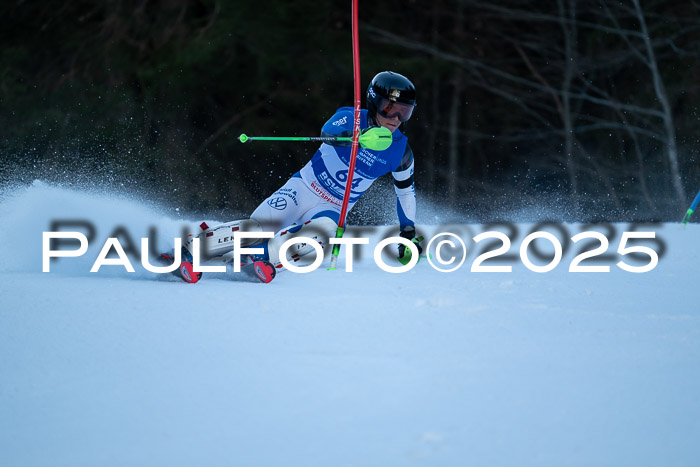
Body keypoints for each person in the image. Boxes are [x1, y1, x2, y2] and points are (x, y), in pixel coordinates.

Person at [174, 71, 424, 283]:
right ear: (373, 102)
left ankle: (262, 258)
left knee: (322, 235)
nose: (395, 119)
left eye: (404, 112)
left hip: (334, 207)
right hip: (303, 188)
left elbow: (405, 191)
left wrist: (408, 232)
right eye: (390, 109)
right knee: (259, 226)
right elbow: (327, 131)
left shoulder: (401, 151)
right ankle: (193, 249)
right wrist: (354, 137)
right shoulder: (351, 117)